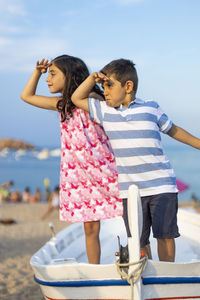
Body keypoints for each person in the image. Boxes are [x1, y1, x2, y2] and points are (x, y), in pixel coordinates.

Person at [71, 58, 200, 262]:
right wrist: (93, 77)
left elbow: (173, 130)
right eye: (103, 86)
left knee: (165, 236)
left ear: (128, 86)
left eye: (109, 85)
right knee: (138, 241)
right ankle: (146, 274)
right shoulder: (104, 110)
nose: (105, 90)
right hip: (131, 191)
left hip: (161, 185)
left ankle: (165, 277)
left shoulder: (150, 107)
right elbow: (76, 98)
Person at [20, 55, 122, 264]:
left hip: (105, 172)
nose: (49, 79)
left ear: (71, 75)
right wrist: (37, 73)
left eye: (53, 74)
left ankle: (141, 259)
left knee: (129, 216)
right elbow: (27, 96)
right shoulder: (62, 105)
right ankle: (95, 272)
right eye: (48, 75)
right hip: (79, 177)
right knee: (90, 228)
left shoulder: (94, 100)